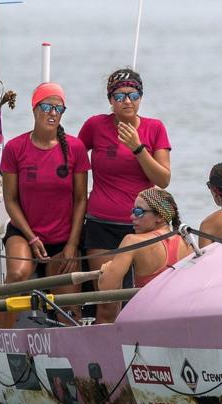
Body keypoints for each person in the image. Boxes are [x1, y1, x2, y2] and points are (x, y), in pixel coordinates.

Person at [0, 82, 89, 328]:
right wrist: (32, 238)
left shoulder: (76, 148)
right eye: (46, 107)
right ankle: (2, 339)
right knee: (17, 275)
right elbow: (10, 200)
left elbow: (81, 198)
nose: (52, 113)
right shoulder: (16, 148)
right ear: (34, 109)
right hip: (24, 232)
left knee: (69, 307)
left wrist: (72, 244)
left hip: (62, 237)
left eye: (58, 109)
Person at [78, 68, 172, 280]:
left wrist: (137, 148)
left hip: (144, 225)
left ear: (141, 98)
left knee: (143, 293)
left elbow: (163, 180)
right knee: (107, 299)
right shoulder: (95, 125)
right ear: (110, 99)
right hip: (102, 224)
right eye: (119, 96)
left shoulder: (154, 128)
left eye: (133, 95)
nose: (127, 101)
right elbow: (72, 159)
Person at [97, 187, 190, 324]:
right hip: (178, 316)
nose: (132, 217)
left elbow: (106, 288)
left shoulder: (132, 241)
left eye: (139, 212)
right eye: (133, 211)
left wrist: (105, 271)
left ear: (159, 216)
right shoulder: (187, 242)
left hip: (146, 319)